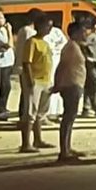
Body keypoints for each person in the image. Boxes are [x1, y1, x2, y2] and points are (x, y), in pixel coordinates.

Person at [17, 11, 55, 154]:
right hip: (35, 81)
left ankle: (38, 139)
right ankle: (25, 143)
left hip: (46, 81)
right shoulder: (31, 42)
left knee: (40, 113)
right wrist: (30, 79)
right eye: (47, 26)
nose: (49, 29)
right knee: (30, 113)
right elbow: (27, 62)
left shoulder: (45, 43)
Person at [52, 20, 89, 163]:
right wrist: (57, 83)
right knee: (68, 118)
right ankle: (64, 151)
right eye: (83, 31)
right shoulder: (71, 47)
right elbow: (62, 66)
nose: (85, 33)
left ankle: (67, 148)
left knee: (70, 117)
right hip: (71, 84)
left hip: (74, 83)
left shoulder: (76, 46)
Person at [80, 20, 96, 116]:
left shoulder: (94, 36)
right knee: (95, 87)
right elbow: (85, 46)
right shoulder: (92, 37)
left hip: (92, 63)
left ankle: (87, 107)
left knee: (89, 86)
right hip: (92, 64)